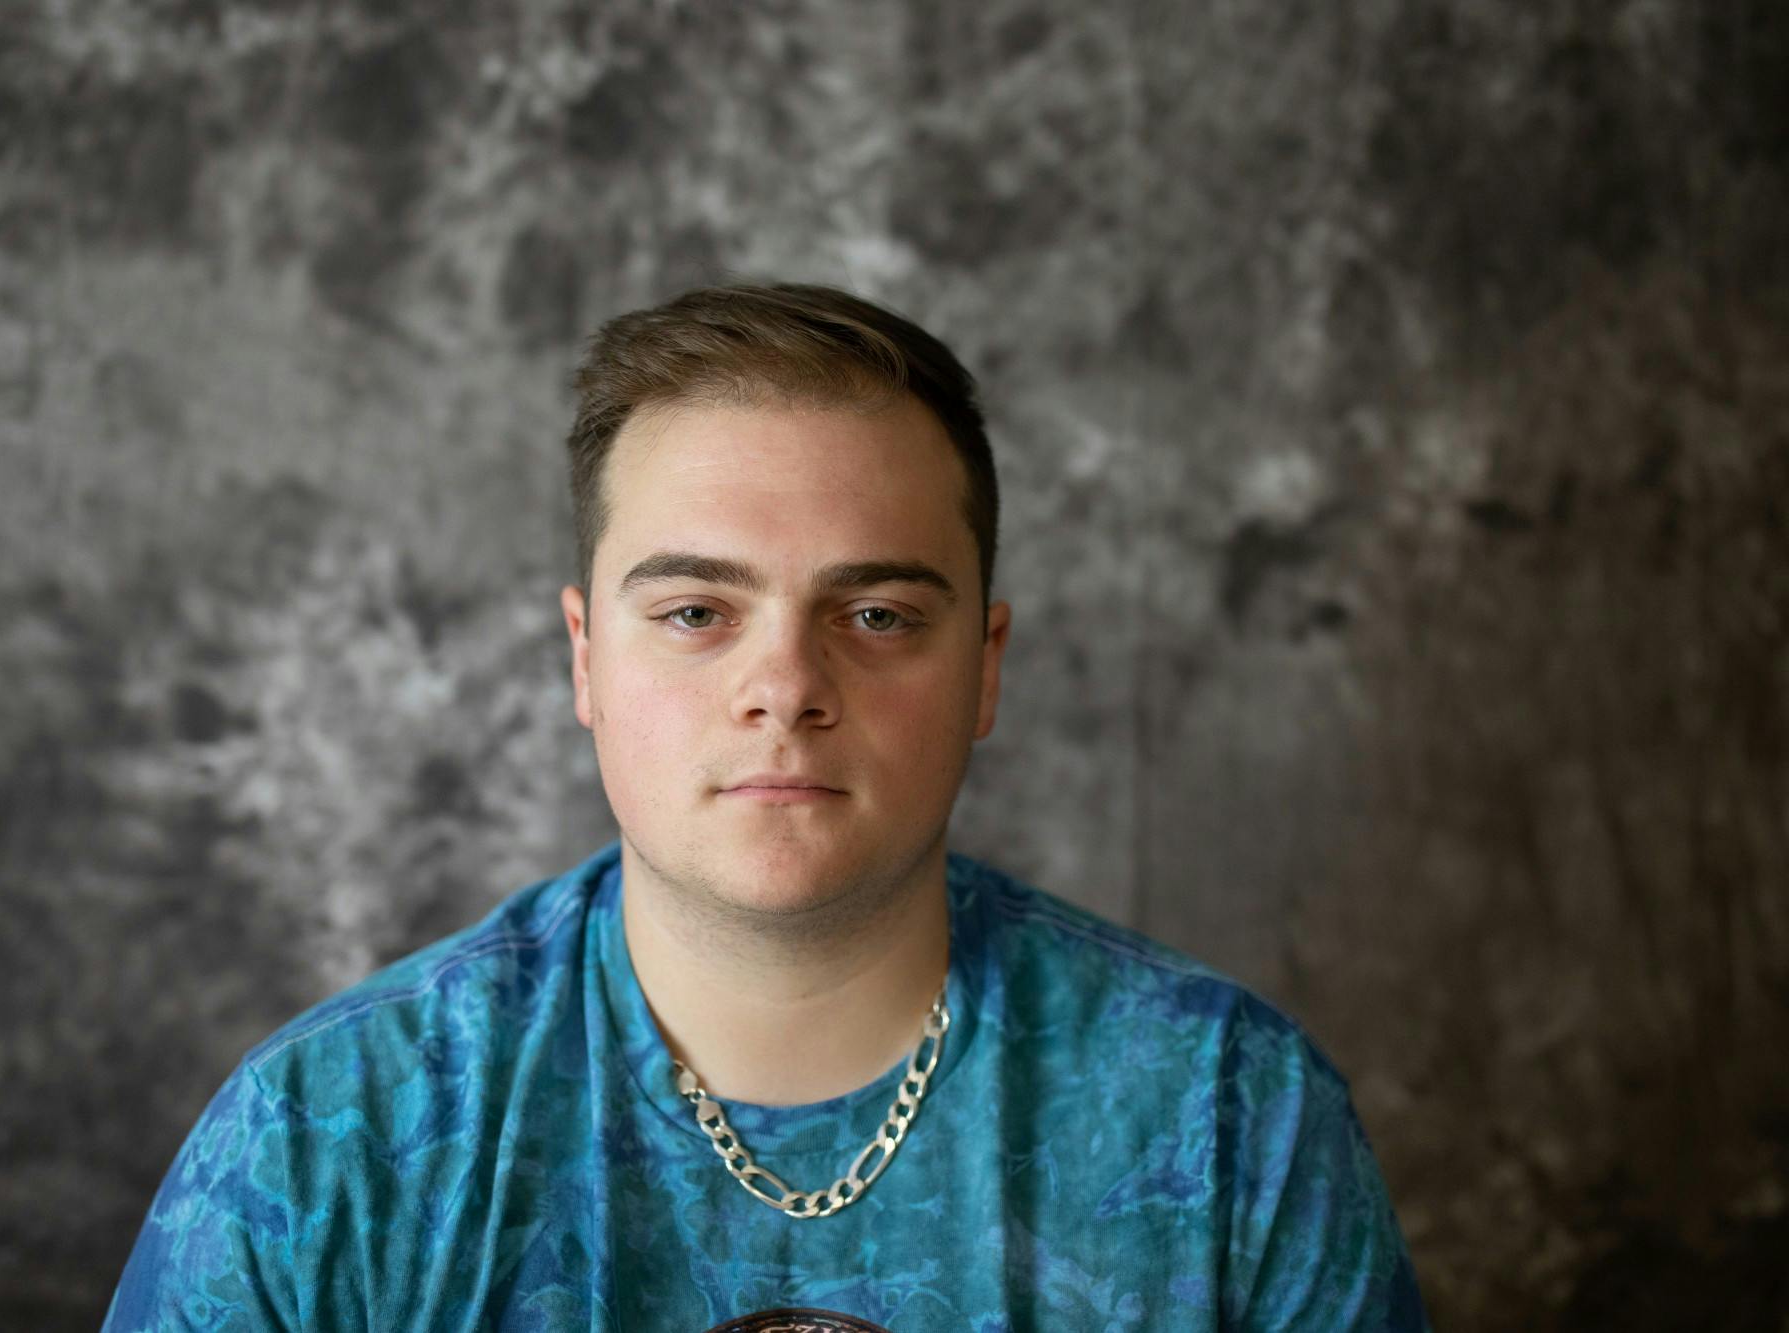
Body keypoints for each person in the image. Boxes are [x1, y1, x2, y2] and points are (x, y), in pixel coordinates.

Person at [103, 282, 1429, 1332]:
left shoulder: (1229, 1118)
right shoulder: (325, 1142)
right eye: (696, 612)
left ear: (985, 667)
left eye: (877, 614)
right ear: (585, 660)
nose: (785, 687)